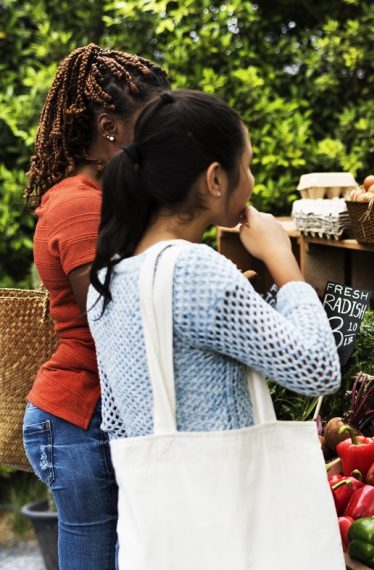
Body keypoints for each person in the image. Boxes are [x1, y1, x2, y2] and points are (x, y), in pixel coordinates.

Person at [86, 89, 343, 564]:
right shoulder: (197, 269)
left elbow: (123, 417)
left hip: (162, 529)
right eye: (246, 166)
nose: (250, 179)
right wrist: (283, 260)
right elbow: (319, 369)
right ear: (215, 178)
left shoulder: (109, 279)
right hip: (230, 524)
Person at [23, 44, 169, 569]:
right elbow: (111, 317)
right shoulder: (78, 205)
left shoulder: (100, 197)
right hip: (75, 418)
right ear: (110, 128)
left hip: (86, 415)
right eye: (150, 127)